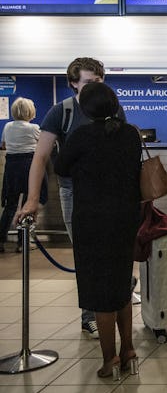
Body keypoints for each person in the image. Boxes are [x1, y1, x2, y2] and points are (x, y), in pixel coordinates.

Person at [16, 57, 125, 339]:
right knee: (86, 254)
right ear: (73, 83)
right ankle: (90, 314)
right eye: (88, 82)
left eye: (99, 82)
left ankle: (113, 302)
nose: (94, 87)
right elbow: (40, 157)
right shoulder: (60, 111)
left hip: (109, 192)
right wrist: (31, 199)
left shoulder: (113, 109)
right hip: (74, 192)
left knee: (113, 253)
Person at [52, 82, 141, 379]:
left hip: (92, 221)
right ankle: (129, 350)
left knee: (100, 291)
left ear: (85, 109)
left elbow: (62, 168)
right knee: (121, 285)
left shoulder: (80, 136)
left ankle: (109, 359)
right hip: (126, 219)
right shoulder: (130, 134)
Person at [1, 98, 48, 252]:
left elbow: (4, 145)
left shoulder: (7, 126)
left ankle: (1, 241)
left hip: (11, 167)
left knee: (10, 205)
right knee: (26, 205)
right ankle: (22, 243)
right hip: (29, 166)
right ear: (30, 111)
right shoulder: (33, 127)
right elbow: (44, 144)